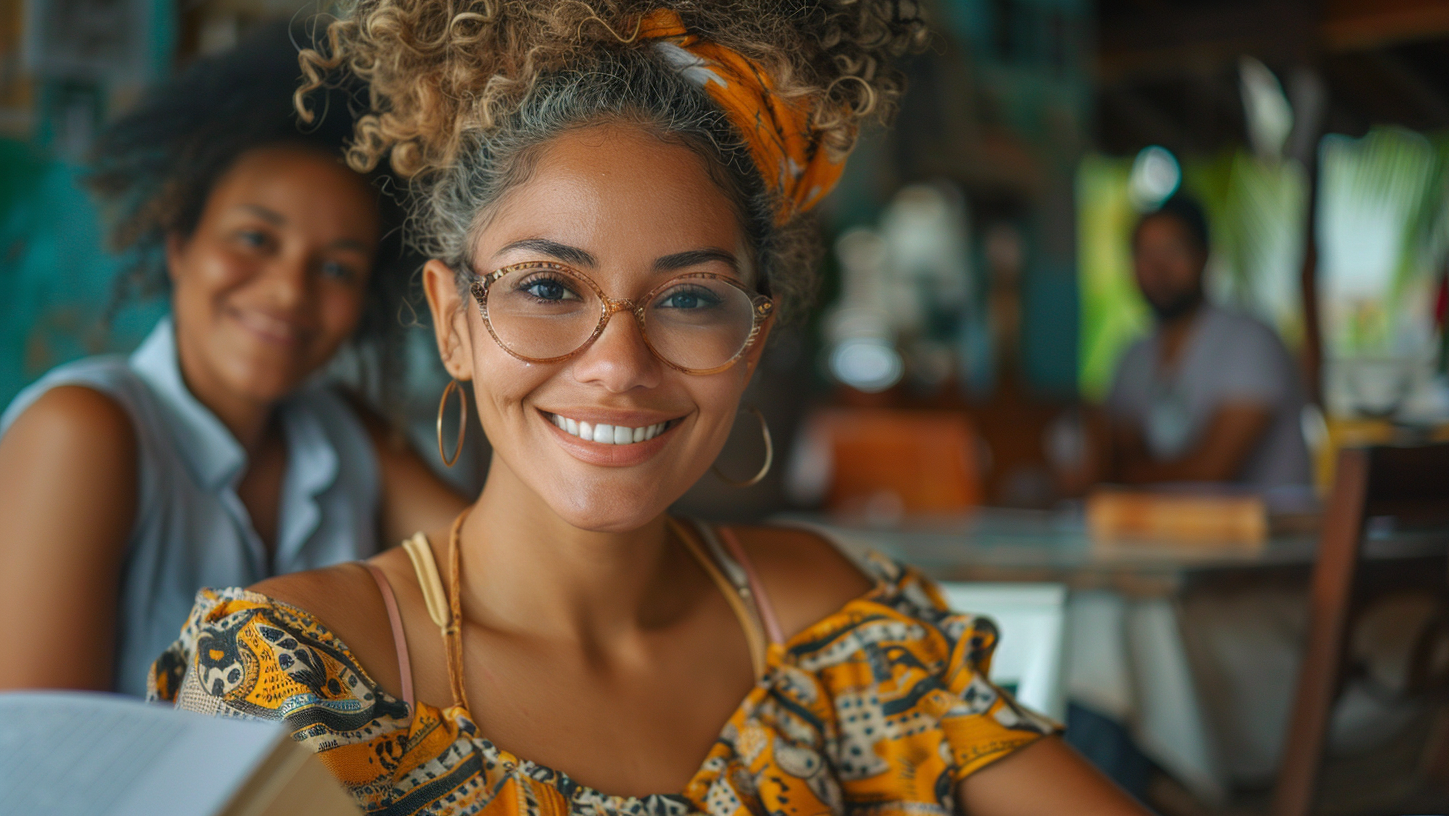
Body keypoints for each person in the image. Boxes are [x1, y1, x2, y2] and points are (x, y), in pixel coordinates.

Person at [151, 3, 1149, 814]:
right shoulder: (293, 673)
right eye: (547, 288)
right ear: (453, 320)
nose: (619, 365)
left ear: (752, 338)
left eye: (688, 299)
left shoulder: (829, 627)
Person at [0, 21, 466, 697]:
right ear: (179, 244)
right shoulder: (85, 429)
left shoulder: (343, 433)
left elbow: (496, 573)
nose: (288, 290)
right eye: (255, 237)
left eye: (337, 268)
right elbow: (41, 759)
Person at [1102, 194, 1309, 489]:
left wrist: (1110, 478)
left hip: (1263, 534)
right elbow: (1116, 449)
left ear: (1204, 256)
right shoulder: (1132, 358)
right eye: (1146, 254)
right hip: (1160, 533)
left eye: (1172, 251)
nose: (1158, 269)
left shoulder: (1251, 342)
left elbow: (1210, 474)